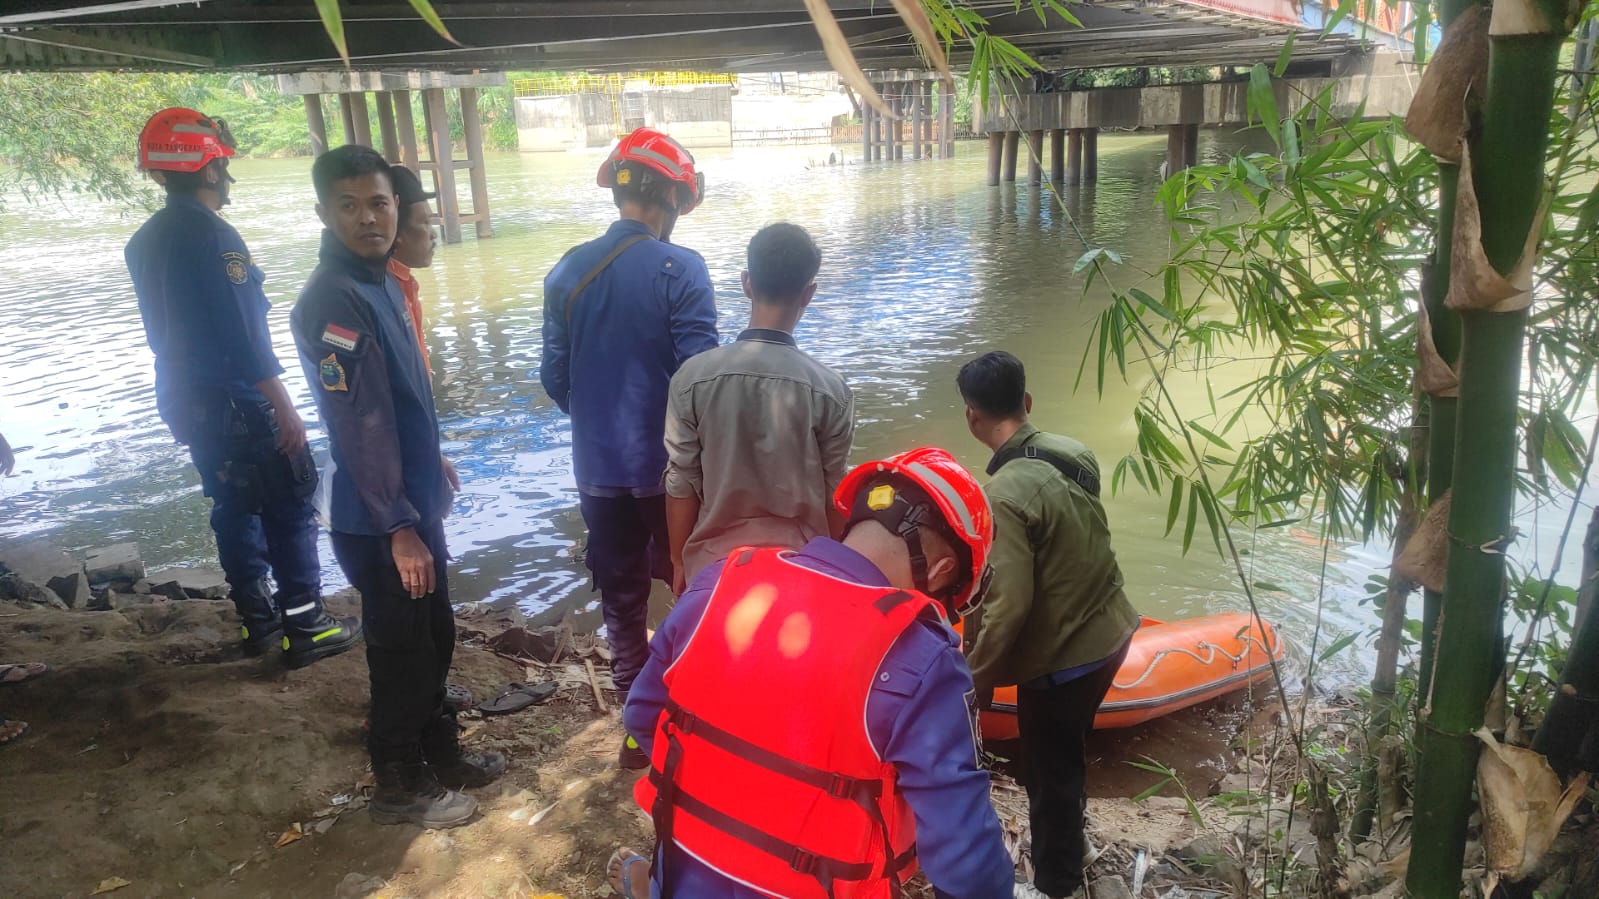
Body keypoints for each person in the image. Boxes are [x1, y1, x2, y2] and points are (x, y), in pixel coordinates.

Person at [619, 447, 1015, 899]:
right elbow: (966, 861)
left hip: (684, 873)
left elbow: (642, 714)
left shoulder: (720, 582)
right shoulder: (925, 657)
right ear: (943, 571)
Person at [290, 145, 500, 830]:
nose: (366, 217)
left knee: (435, 633)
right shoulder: (334, 299)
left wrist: (431, 461)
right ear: (323, 212)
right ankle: (398, 784)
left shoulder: (380, 279)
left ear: (395, 208)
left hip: (410, 500)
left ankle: (440, 754)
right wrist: (399, 525)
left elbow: (404, 397)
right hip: (379, 515)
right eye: (348, 205)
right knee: (401, 648)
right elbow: (361, 423)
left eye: (378, 203)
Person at [124, 108, 359, 667]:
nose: (227, 175)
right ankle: (306, 627)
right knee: (289, 500)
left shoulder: (144, 240)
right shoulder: (217, 238)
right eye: (222, 163)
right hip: (236, 398)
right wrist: (285, 409)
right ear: (208, 169)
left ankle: (259, 623)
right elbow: (245, 335)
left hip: (185, 398)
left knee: (232, 500)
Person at [540, 127, 718, 767]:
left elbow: (554, 378)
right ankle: (701, 714)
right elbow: (700, 376)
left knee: (621, 595)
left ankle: (637, 730)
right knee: (694, 582)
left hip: (598, 471)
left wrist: (596, 424)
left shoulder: (567, 269)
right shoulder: (683, 269)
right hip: (672, 471)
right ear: (673, 197)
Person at [957, 351, 1140, 899]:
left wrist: (976, 682)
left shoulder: (1003, 496)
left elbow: (1008, 605)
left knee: (1049, 775)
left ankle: (1057, 884)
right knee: (1065, 756)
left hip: (1066, 660)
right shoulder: (1074, 454)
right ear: (1027, 402)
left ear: (971, 416)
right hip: (1112, 631)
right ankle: (1074, 845)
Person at [663, 222, 852, 592]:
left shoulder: (691, 379)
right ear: (808, 294)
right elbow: (835, 495)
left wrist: (677, 560)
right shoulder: (830, 390)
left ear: (747, 282)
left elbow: (681, 482)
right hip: (802, 567)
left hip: (715, 569)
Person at [386, 166, 438, 373]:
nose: (433, 234)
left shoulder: (403, 283)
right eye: (425, 223)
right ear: (395, 230)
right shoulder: (384, 291)